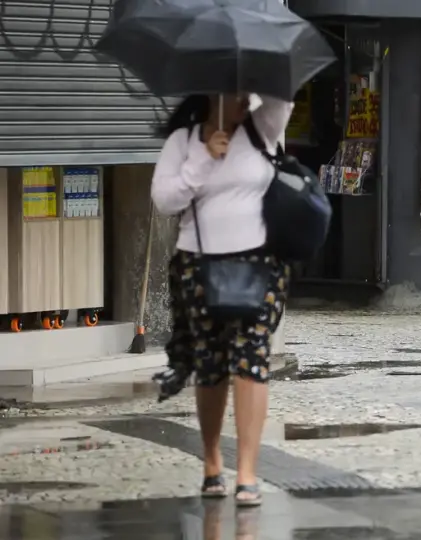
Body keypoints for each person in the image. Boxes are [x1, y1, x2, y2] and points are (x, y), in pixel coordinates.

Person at [151, 93, 293, 505]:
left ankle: (247, 471)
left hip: (259, 264)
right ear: (210, 94)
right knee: (211, 362)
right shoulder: (185, 140)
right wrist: (203, 159)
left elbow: (283, 96)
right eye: (232, 92)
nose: (240, 100)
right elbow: (164, 201)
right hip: (199, 266)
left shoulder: (262, 127)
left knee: (251, 358)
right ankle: (212, 461)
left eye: (244, 91)